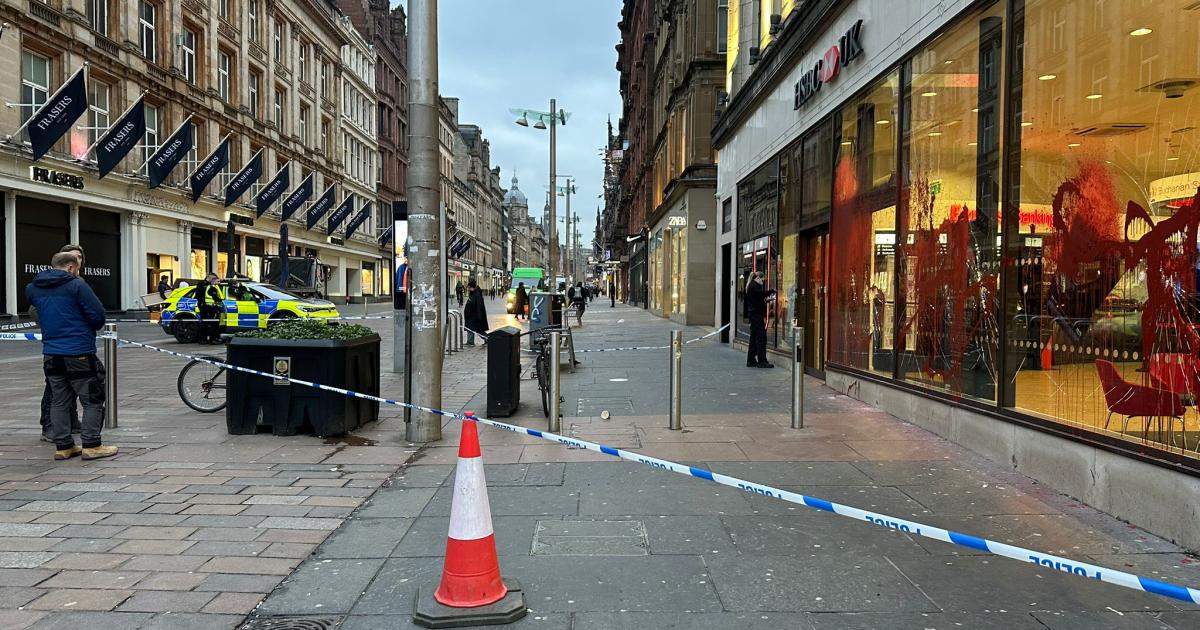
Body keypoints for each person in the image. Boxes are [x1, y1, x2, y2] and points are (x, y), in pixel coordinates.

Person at [27, 251, 117, 461]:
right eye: (77, 268)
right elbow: (97, 315)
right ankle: (92, 444)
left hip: (50, 352)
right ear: (70, 267)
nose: (77, 271)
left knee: (59, 400)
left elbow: (38, 313)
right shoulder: (76, 285)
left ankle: (64, 446)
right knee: (92, 398)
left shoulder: (33, 288)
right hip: (78, 351)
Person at [38, 245, 86, 443]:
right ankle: (48, 426)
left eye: (79, 258)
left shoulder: (79, 282)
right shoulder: (50, 283)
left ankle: (72, 421)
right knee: (54, 386)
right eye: (73, 258)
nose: (76, 262)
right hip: (58, 342)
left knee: (74, 385)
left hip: (77, 341)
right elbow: (36, 308)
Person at [745, 271, 775, 368]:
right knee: (761, 338)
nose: (763, 282)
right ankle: (762, 361)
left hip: (754, 315)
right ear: (758, 278)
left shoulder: (751, 285)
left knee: (754, 338)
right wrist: (771, 291)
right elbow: (761, 294)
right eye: (763, 280)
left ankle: (751, 360)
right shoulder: (754, 286)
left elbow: (759, 298)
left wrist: (767, 299)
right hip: (756, 315)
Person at [195, 273, 224, 344]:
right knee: (204, 323)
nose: (213, 279)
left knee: (211, 323)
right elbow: (198, 294)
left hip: (210, 307)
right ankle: (202, 339)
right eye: (213, 278)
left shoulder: (212, 285)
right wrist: (202, 303)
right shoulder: (202, 284)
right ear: (208, 277)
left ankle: (210, 338)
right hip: (204, 306)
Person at [463, 278, 488, 346]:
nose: (468, 289)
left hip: (474, 315)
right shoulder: (473, 293)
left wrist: (479, 316)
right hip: (471, 315)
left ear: (472, 287)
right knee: (471, 328)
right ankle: (470, 341)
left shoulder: (477, 294)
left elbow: (479, 306)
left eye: (469, 287)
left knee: (478, 329)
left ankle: (488, 339)